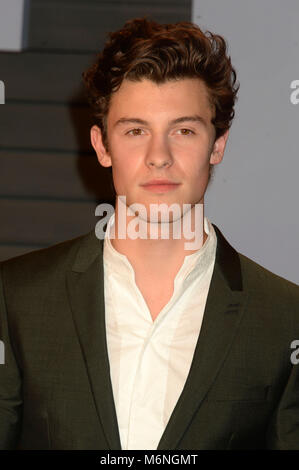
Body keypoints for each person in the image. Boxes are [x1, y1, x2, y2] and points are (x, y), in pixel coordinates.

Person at [0, 17, 298, 451]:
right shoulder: (16, 298)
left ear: (217, 145)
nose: (159, 156)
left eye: (183, 130)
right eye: (136, 131)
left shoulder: (283, 318)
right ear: (102, 146)